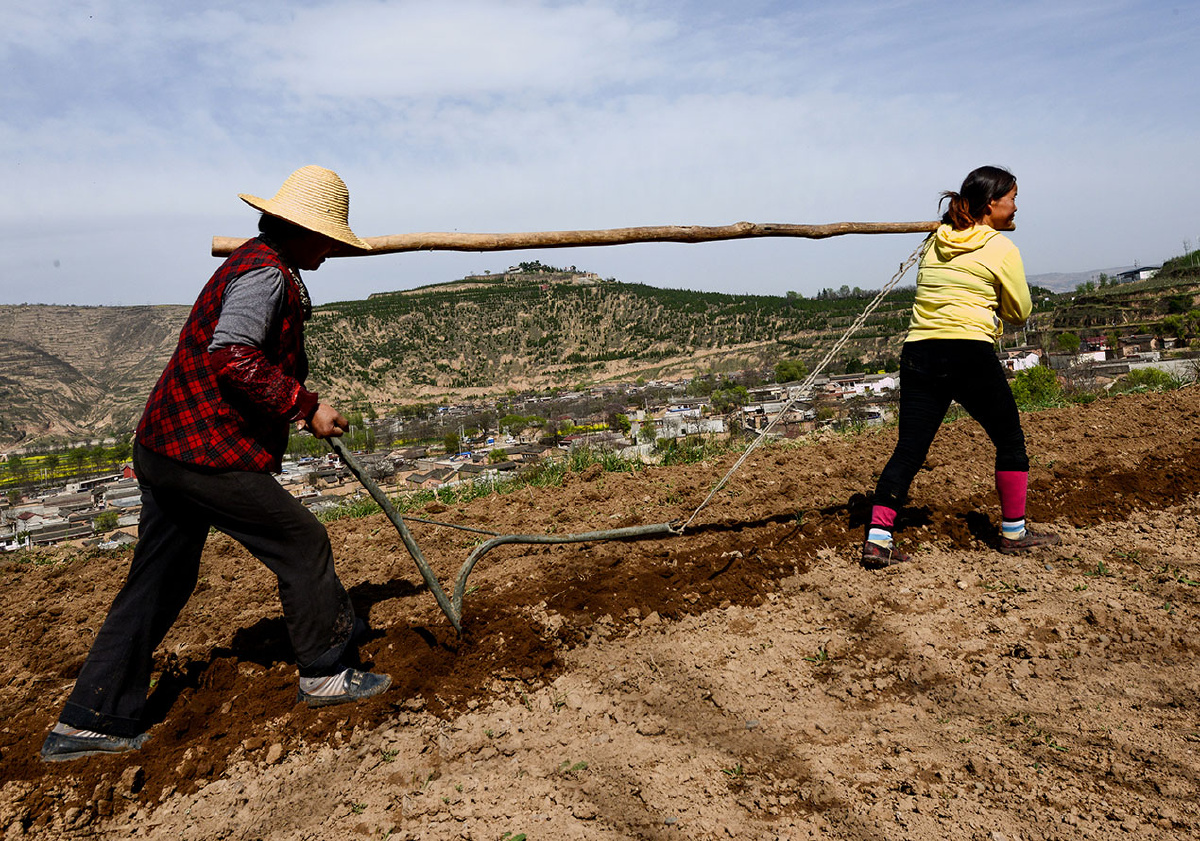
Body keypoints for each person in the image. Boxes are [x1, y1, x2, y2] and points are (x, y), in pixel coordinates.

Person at [41, 166, 391, 762]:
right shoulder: (263, 276)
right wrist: (306, 406)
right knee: (301, 541)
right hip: (204, 452)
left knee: (159, 578)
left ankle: (90, 721)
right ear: (302, 230)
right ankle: (325, 671)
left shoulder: (254, 262)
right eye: (328, 237)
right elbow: (233, 356)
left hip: (162, 445)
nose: (332, 248)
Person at [861, 165, 1060, 569]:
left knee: (910, 450)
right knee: (1010, 440)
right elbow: (1021, 311)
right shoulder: (1002, 249)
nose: (1017, 207)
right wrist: (996, 308)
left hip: (919, 351)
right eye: (1013, 198)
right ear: (992, 203)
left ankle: (878, 540)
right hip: (969, 352)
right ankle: (1013, 532)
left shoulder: (935, 239)